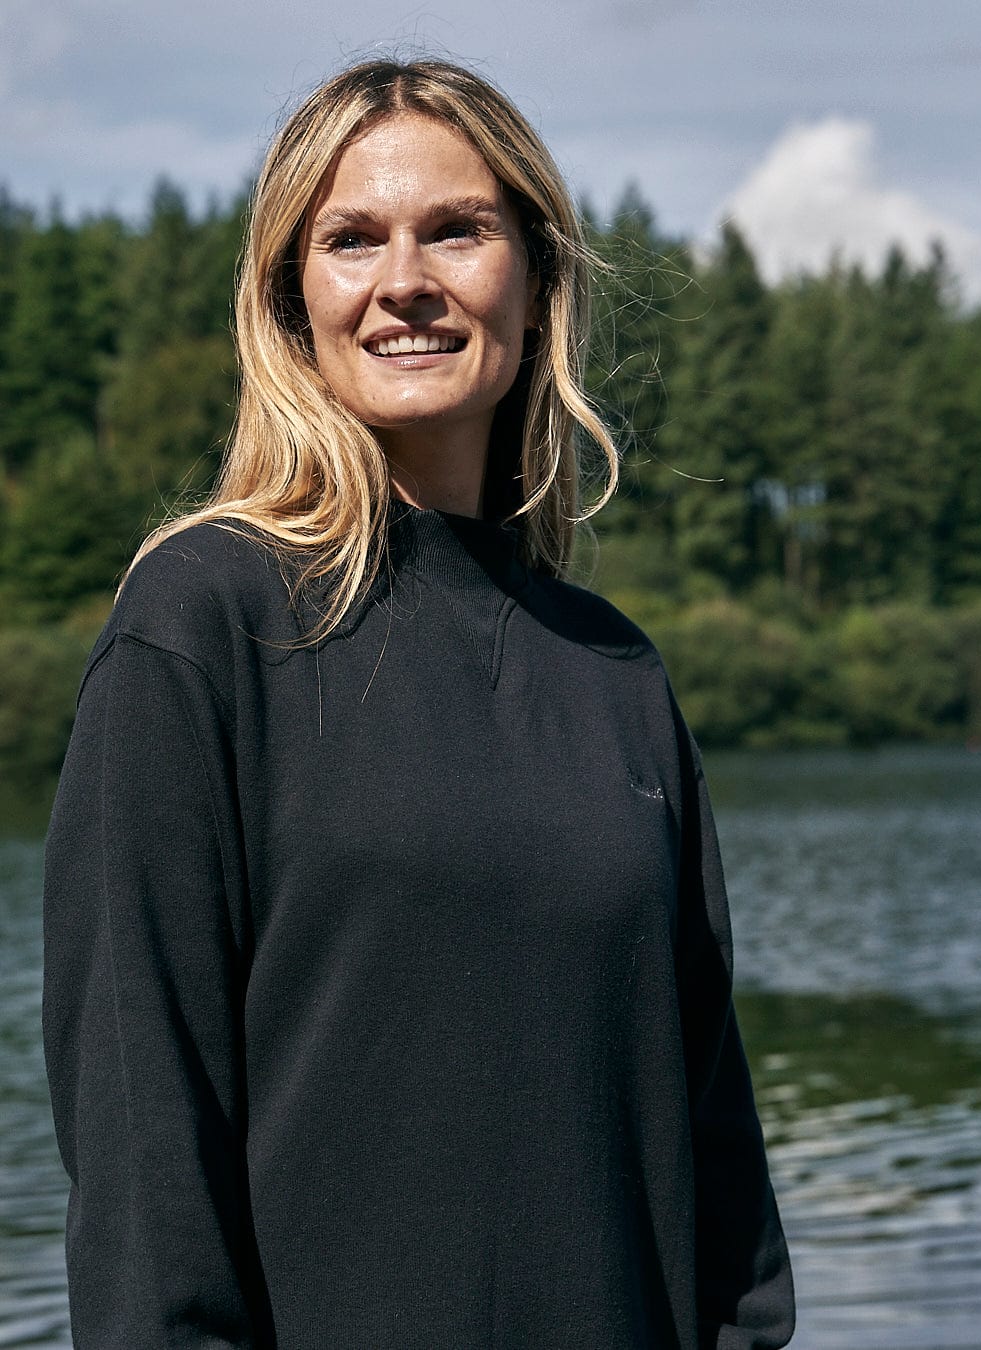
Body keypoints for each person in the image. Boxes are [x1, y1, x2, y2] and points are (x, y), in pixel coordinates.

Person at [42, 57, 795, 1349]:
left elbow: (721, 1188)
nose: (406, 280)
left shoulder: (613, 673)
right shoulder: (203, 622)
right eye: (351, 239)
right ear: (292, 305)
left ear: (536, 279)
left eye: (457, 228)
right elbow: (143, 1163)